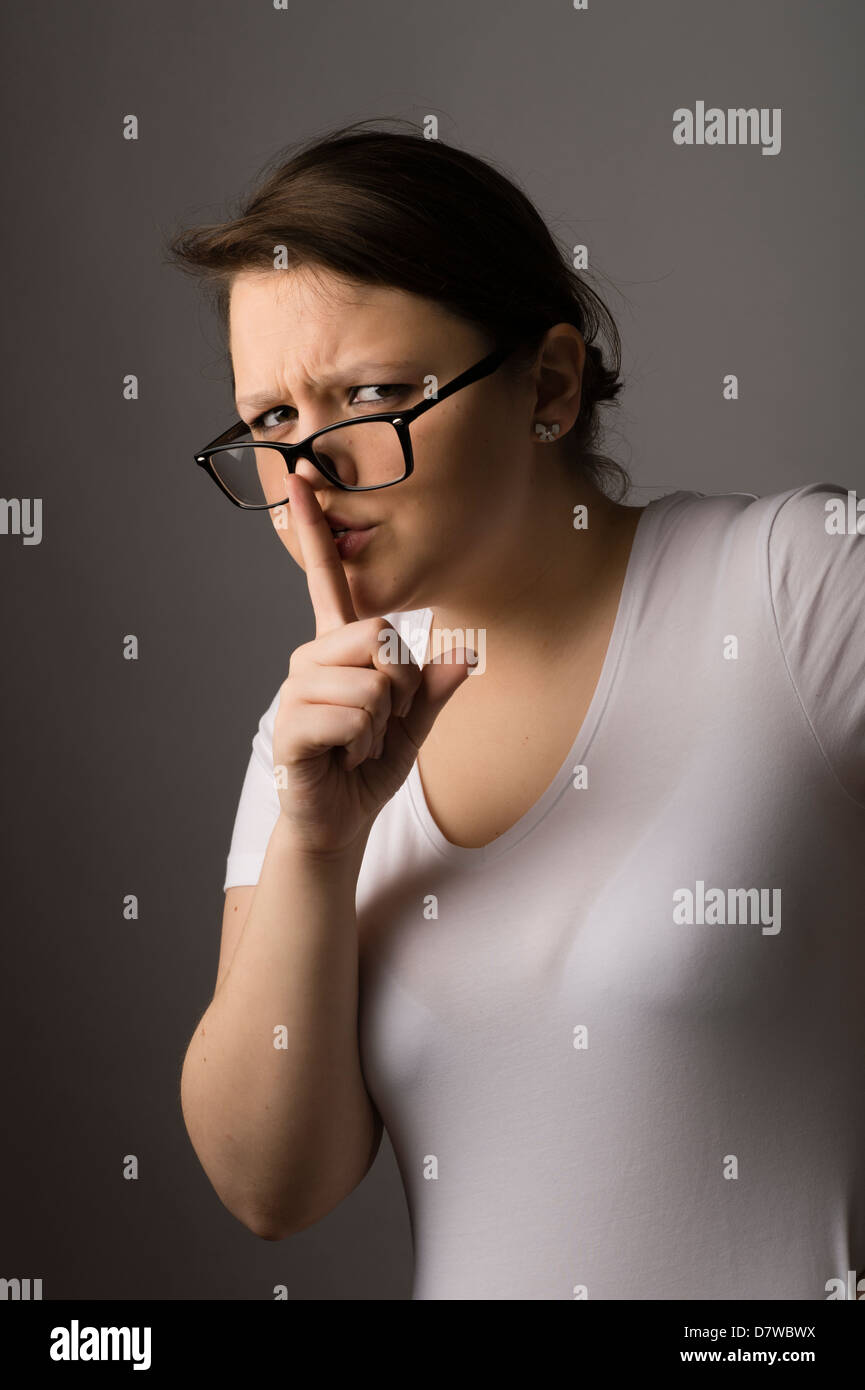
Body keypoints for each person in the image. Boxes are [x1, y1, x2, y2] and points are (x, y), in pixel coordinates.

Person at [168, 120, 865, 1300]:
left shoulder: (793, 585)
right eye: (273, 424)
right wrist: (317, 841)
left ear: (547, 384)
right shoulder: (316, 738)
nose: (307, 480)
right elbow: (270, 1189)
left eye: (373, 395)